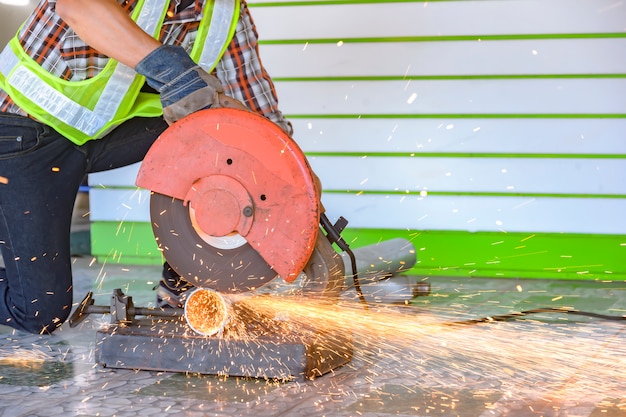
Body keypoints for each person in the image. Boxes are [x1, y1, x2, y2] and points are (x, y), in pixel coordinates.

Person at [0, 0, 293, 334]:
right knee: (40, 311)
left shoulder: (226, 10)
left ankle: (183, 287)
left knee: (220, 124)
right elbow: (77, 6)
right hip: (21, 134)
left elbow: (260, 121)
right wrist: (172, 70)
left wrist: (295, 193)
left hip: (95, 134)